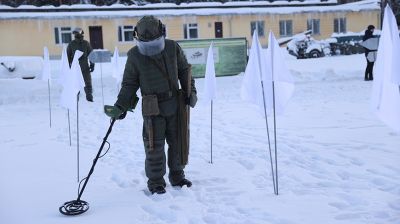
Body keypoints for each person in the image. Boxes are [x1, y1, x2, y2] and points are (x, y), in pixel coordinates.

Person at [106, 16, 197, 195]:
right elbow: (129, 84)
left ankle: (177, 176)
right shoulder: (134, 56)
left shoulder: (172, 48)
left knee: (178, 142)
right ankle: (156, 182)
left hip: (175, 104)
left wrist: (190, 92)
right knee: (154, 146)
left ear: (162, 34)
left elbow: (185, 70)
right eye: (146, 44)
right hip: (152, 107)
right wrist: (121, 106)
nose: (151, 48)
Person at [67, 27, 95, 102]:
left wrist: (92, 64)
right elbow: (68, 56)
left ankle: (89, 97)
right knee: (76, 82)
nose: (75, 35)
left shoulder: (86, 43)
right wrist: (69, 66)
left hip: (84, 66)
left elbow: (91, 54)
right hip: (75, 67)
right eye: (75, 34)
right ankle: (76, 97)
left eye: (76, 33)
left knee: (87, 82)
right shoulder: (71, 44)